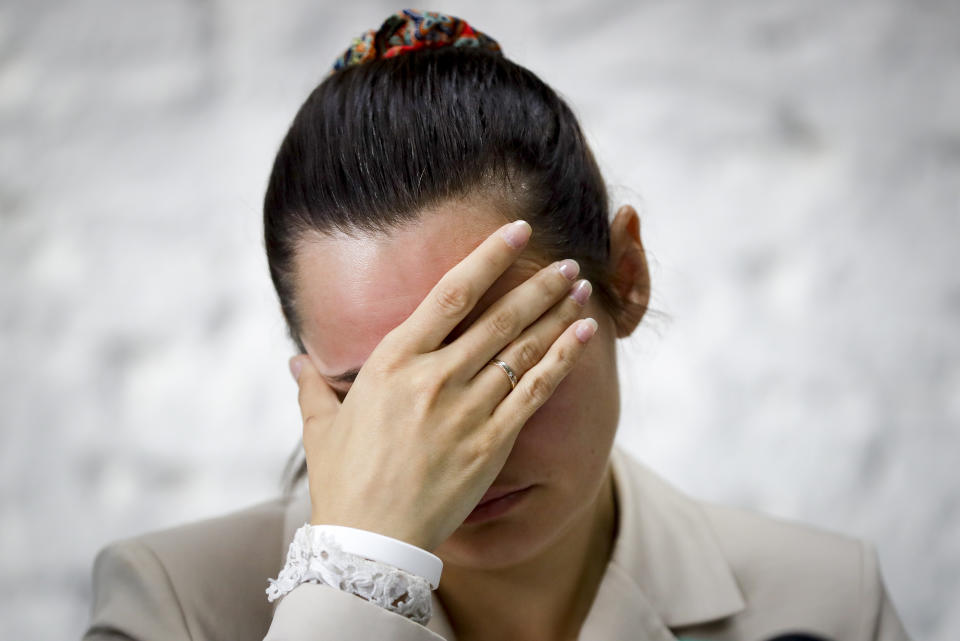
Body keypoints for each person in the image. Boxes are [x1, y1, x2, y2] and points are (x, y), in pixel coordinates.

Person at [82, 9, 912, 641]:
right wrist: (356, 574)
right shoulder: (174, 604)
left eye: (504, 362)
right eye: (377, 392)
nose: (466, 456)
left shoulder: (826, 600)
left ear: (624, 277)